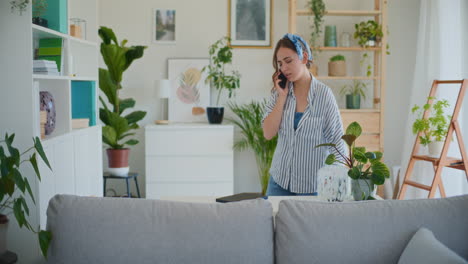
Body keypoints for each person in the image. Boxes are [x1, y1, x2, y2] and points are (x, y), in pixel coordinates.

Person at [262, 33, 346, 196]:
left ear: (304, 57)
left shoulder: (324, 95)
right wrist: (282, 96)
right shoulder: (279, 92)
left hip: (312, 188)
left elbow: (338, 143)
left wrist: (338, 189)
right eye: (280, 64)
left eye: (288, 61)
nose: (284, 68)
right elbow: (268, 133)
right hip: (278, 183)